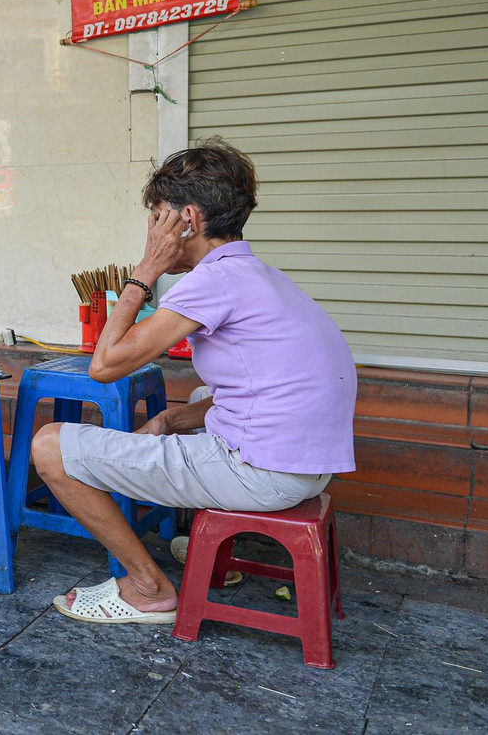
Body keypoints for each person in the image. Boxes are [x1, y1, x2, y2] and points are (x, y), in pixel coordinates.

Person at [31, 138, 356, 625]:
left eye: (160, 219)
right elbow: (261, 387)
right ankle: (215, 555)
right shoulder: (258, 274)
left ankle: (148, 588)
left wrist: (146, 269)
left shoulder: (211, 281)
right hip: (305, 465)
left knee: (49, 446)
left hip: (263, 473)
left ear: (189, 220)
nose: (154, 231)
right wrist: (169, 419)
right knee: (203, 397)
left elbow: (105, 364)